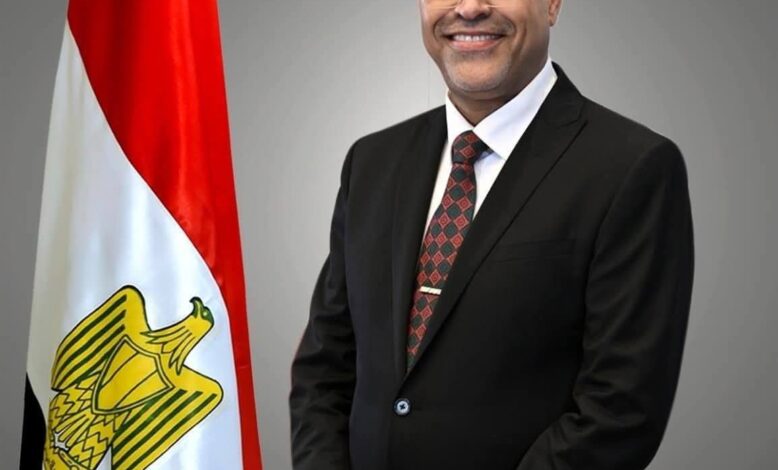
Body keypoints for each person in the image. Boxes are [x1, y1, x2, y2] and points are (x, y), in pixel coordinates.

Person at [289, 0, 694, 469]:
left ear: (553, 5)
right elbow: (325, 369)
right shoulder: (372, 161)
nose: (470, 8)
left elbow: (619, 410)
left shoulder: (632, 168)